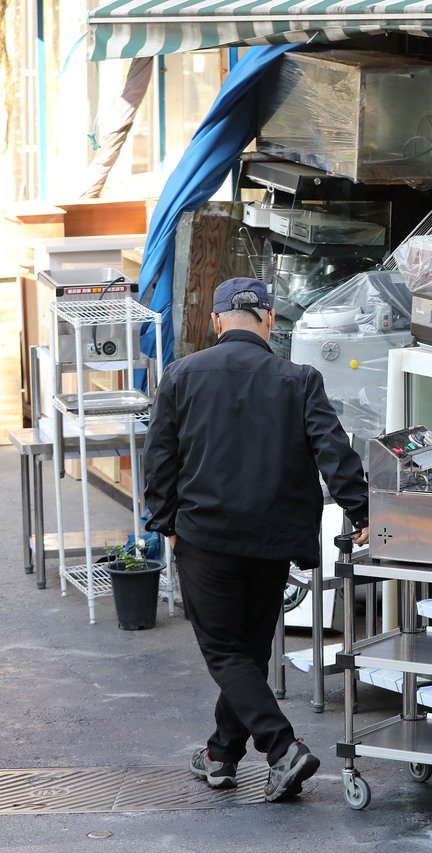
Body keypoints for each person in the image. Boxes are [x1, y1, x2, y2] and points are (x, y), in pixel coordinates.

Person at [143, 277, 370, 801]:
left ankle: (282, 747)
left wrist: (167, 523)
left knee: (225, 651)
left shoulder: (182, 375)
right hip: (272, 539)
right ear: (269, 320)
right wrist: (359, 511)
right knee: (245, 650)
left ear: (218, 321)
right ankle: (222, 755)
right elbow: (333, 451)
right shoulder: (300, 379)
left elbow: (160, 459)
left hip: (206, 536)